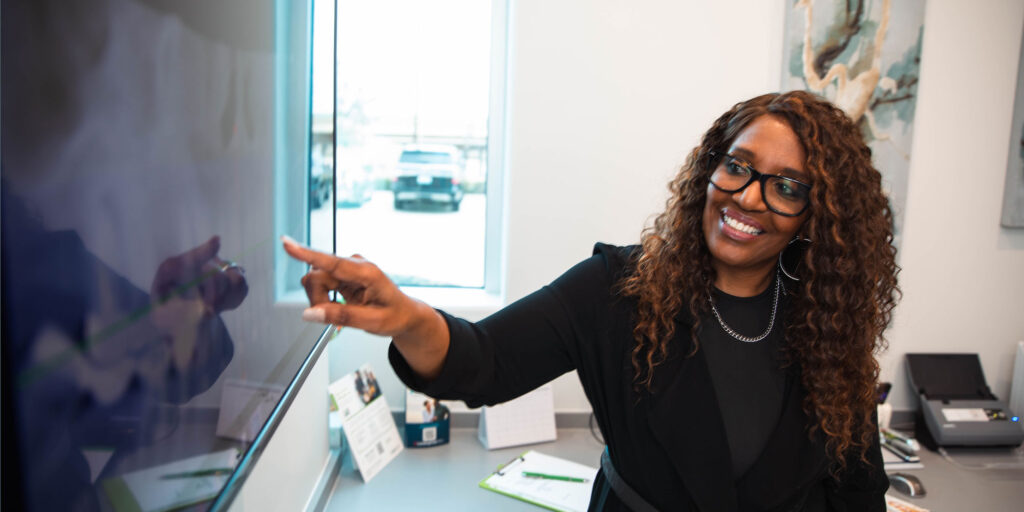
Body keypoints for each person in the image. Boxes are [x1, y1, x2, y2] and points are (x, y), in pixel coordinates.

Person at [283, 91, 899, 511]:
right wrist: (411, 319)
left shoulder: (825, 325)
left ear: (815, 215)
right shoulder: (617, 290)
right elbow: (486, 361)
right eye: (737, 167)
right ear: (710, 171)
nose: (749, 197)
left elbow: (857, 492)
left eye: (787, 187)